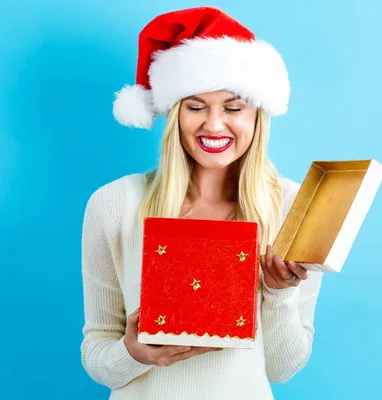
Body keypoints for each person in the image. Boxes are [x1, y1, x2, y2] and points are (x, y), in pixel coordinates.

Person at [80, 6, 330, 399]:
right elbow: (97, 353)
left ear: (257, 117)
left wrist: (279, 292)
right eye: (195, 107)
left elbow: (283, 369)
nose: (213, 125)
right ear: (175, 114)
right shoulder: (115, 204)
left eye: (233, 108)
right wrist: (134, 353)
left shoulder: (291, 204)